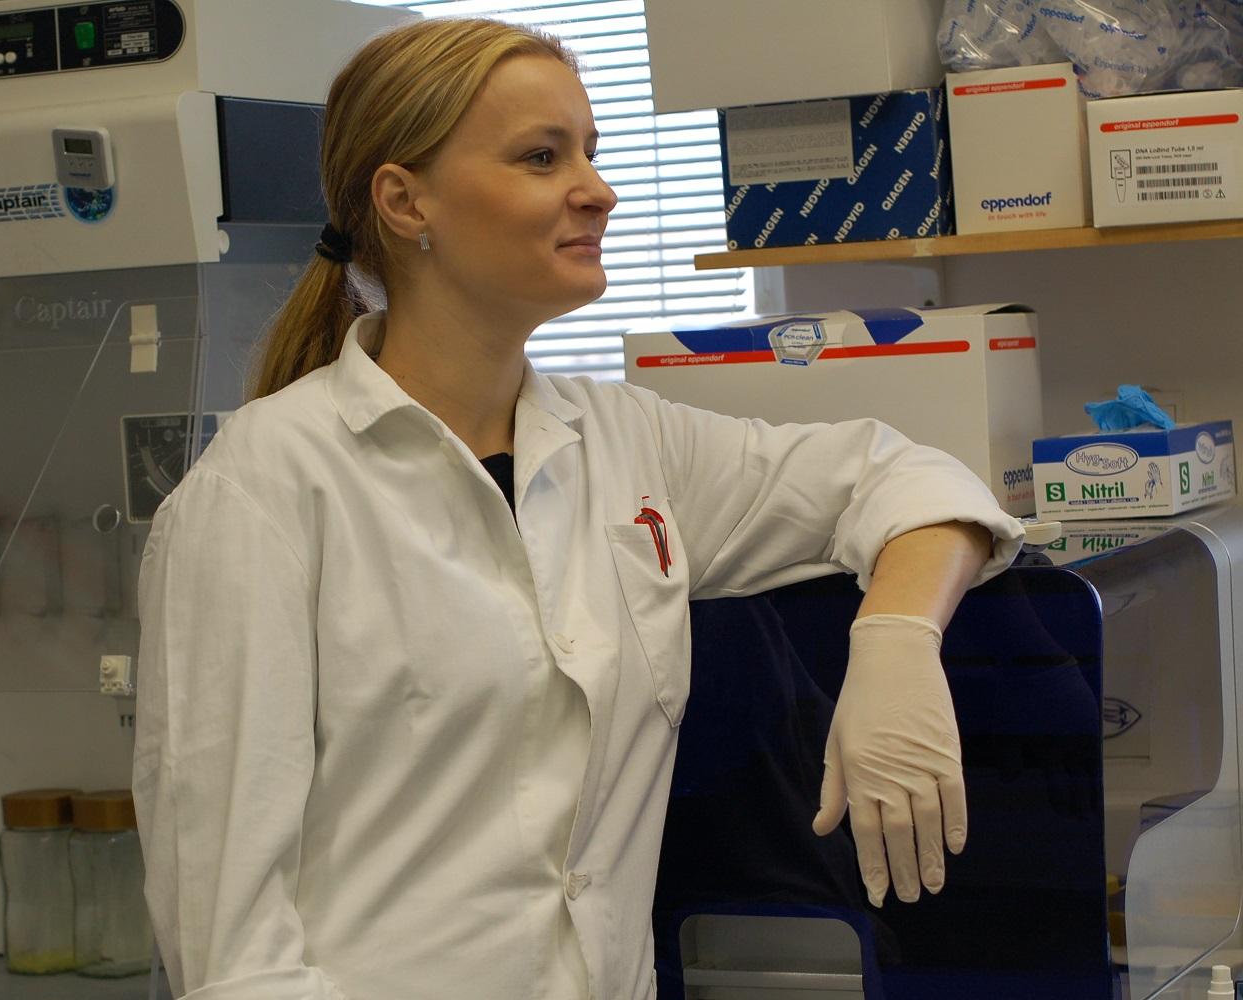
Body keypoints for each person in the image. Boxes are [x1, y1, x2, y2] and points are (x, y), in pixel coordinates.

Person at [132, 16, 1026, 1000]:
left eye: (590, 151)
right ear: (405, 200)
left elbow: (902, 477)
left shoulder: (627, 445)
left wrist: (898, 638)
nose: (598, 189)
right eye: (542, 156)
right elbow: (233, 954)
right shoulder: (262, 492)